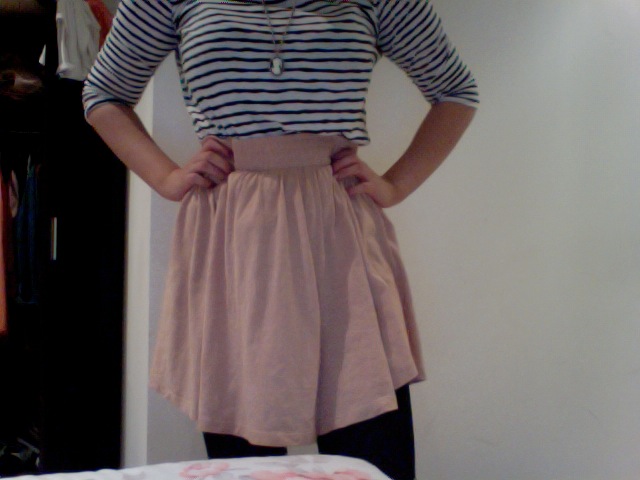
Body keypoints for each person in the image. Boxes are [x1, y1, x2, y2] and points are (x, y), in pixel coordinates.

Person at [82, 1, 478, 479]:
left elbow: (455, 92)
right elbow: (104, 94)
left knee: (371, 448)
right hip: (233, 238)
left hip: (338, 236)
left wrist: (396, 185)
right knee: (245, 461)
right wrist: (165, 177)